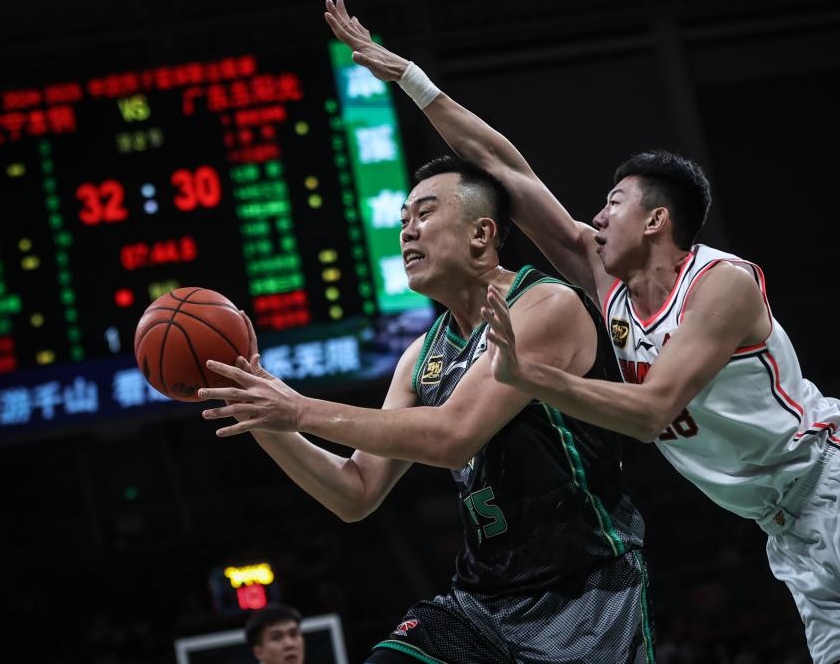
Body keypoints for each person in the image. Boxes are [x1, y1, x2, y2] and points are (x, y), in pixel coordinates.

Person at [321, 0, 840, 664]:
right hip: (790, 534)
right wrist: (413, 80)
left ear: (656, 220)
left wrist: (532, 376)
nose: (596, 217)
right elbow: (503, 168)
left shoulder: (721, 284)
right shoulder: (609, 286)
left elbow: (651, 411)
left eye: (613, 203)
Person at [199, 155, 654, 662]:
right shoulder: (420, 357)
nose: (407, 232)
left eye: (425, 214)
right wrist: (260, 412)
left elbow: (453, 436)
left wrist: (300, 409)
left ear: (481, 233)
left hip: (587, 593)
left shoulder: (545, 306)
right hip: (480, 604)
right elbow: (355, 491)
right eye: (402, 221)